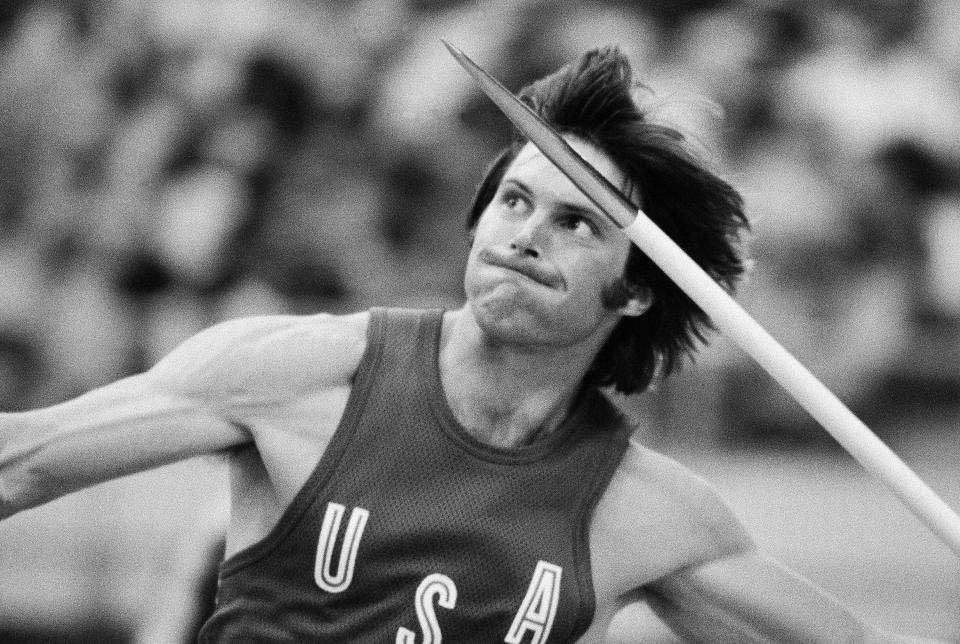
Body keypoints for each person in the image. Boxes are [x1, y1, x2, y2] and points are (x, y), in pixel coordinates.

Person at [0, 46, 940, 643]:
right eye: (514, 202)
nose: (525, 233)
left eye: (578, 224)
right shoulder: (298, 374)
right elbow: (22, 462)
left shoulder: (646, 515)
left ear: (639, 287)